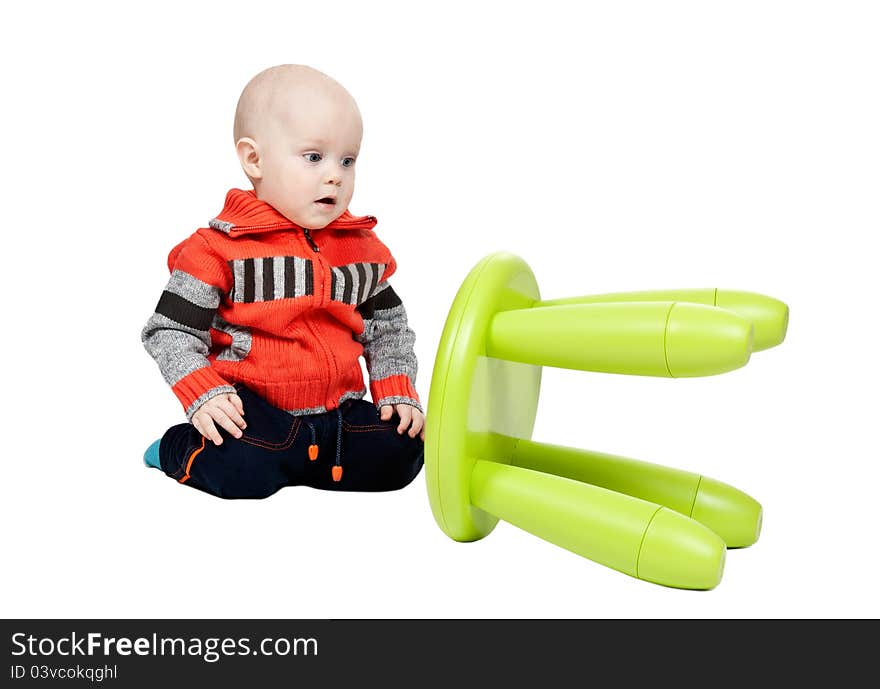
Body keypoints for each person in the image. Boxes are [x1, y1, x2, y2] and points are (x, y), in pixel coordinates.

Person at [141, 64, 425, 499]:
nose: (335, 174)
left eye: (347, 161)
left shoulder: (362, 249)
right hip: (255, 413)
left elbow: (388, 329)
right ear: (254, 159)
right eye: (314, 157)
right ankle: (177, 449)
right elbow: (170, 330)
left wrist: (394, 388)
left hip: (338, 412)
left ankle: (309, 461)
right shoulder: (217, 249)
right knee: (241, 468)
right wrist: (204, 392)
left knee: (405, 451)